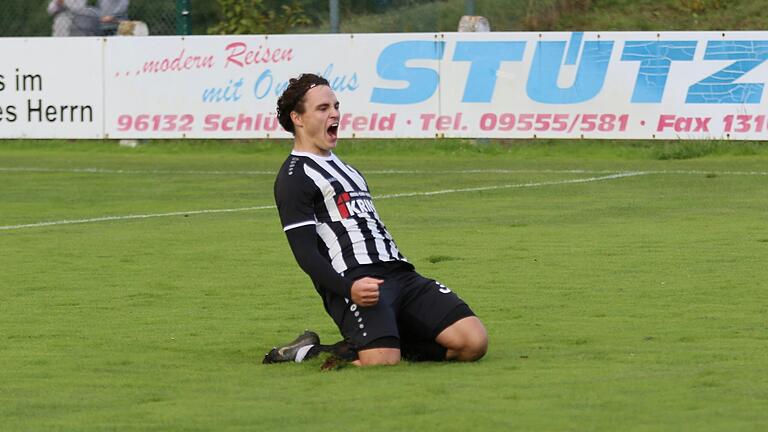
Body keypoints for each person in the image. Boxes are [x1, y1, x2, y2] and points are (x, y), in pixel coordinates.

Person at [264, 73, 488, 368]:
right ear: (298, 118)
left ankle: (382, 339)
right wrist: (348, 289)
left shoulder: (348, 170)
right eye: (322, 108)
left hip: (401, 274)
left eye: (336, 106)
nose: (335, 114)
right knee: (382, 361)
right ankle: (310, 351)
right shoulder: (294, 178)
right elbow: (305, 254)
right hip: (356, 279)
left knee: (473, 342)